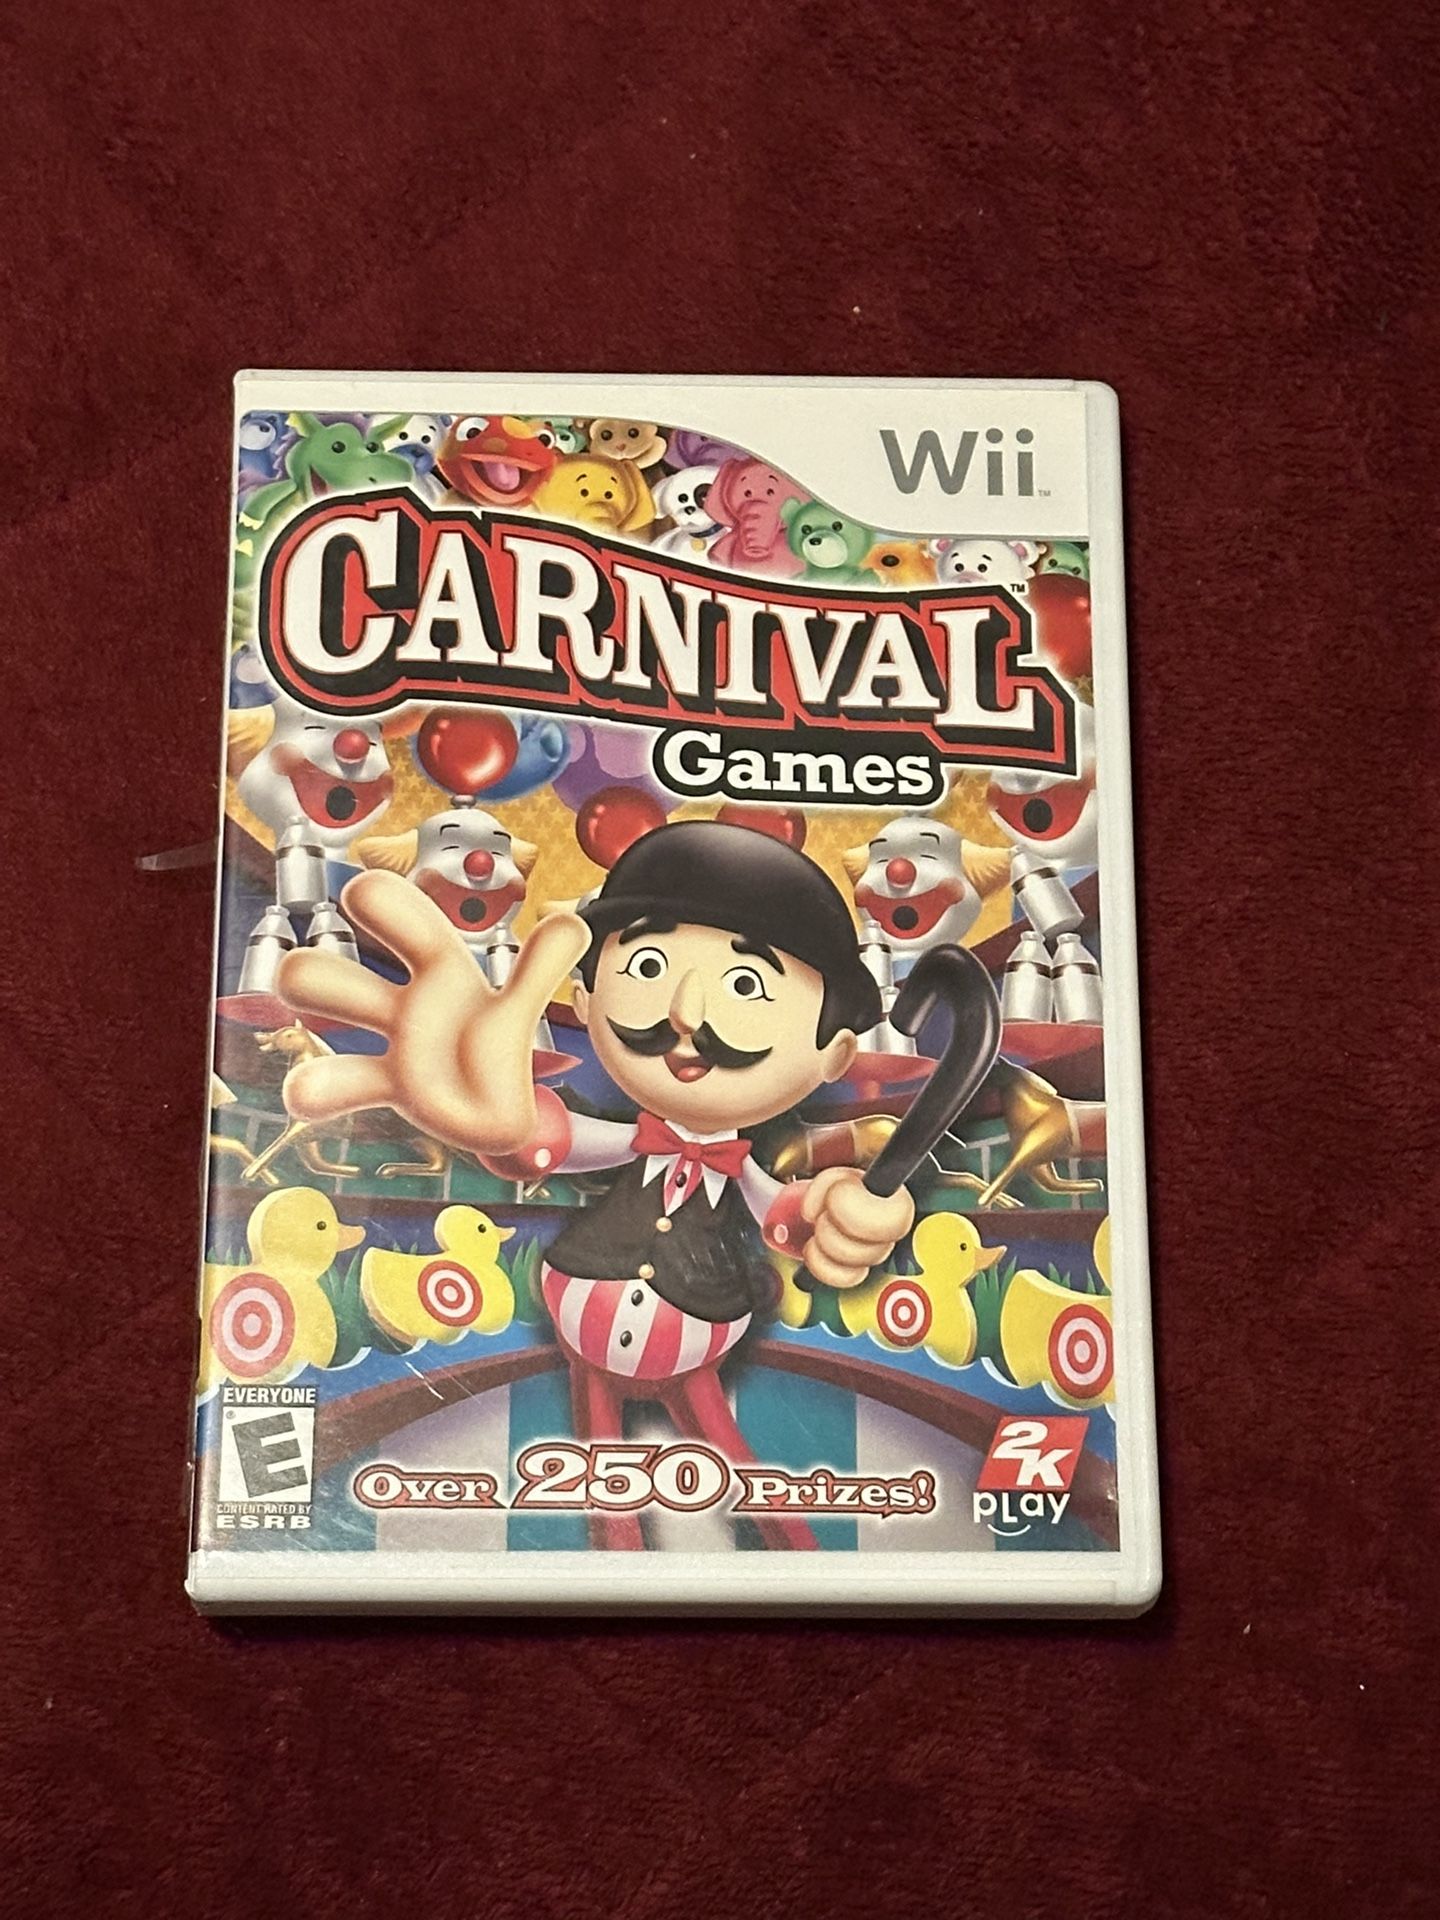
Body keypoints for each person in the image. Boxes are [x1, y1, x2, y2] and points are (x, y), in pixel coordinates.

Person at [277, 820, 915, 1550]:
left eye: (746, 986)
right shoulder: (627, 1136)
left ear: (835, 1054)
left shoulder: (738, 1164)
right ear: (585, 1000)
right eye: (647, 965)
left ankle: (796, 1555)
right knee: (600, 1471)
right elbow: (539, 1140)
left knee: (734, 1460)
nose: (687, 1014)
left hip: (698, 1331)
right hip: (584, 1322)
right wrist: (480, 1109)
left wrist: (843, 1210)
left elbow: (789, 1212)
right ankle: (618, 1561)